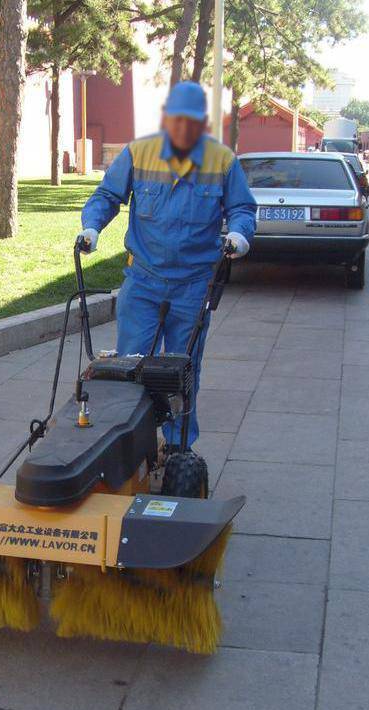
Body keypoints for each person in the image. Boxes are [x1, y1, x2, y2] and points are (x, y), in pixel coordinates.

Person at [76, 81, 257, 449]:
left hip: (193, 284)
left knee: (182, 370)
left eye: (191, 122)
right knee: (130, 365)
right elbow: (108, 195)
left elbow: (241, 208)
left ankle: (178, 446)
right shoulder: (138, 153)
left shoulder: (221, 161)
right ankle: (128, 441)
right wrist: (92, 227)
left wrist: (240, 235)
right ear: (166, 119)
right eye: (177, 120)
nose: (183, 129)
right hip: (143, 280)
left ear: (202, 123)